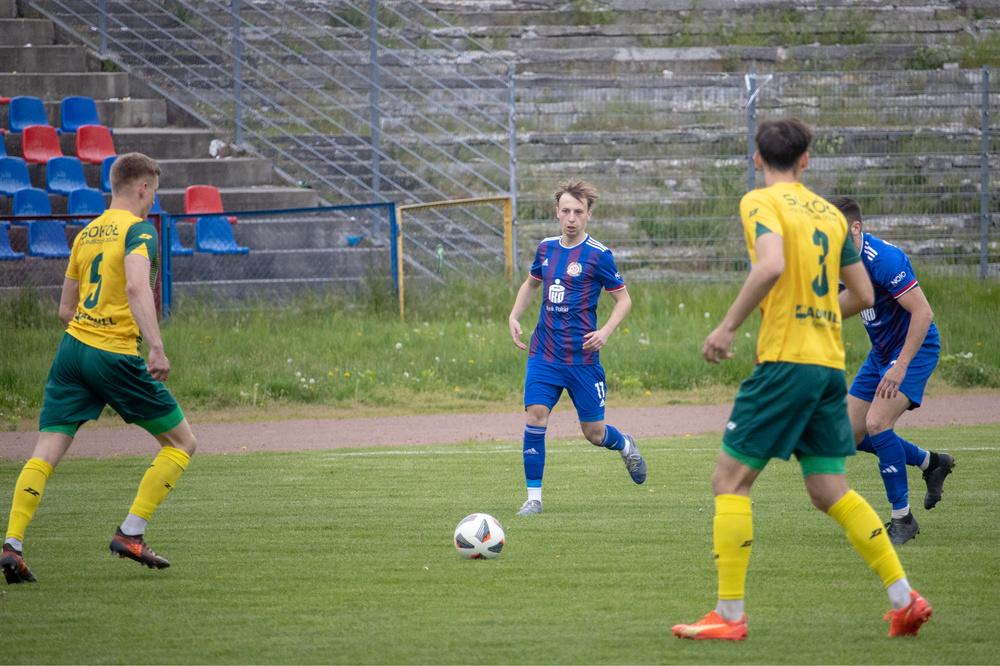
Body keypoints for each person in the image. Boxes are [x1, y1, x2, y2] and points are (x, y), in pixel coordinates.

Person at [672, 119, 931, 641]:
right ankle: (904, 599)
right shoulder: (832, 216)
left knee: (729, 481)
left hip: (785, 364)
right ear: (806, 159)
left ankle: (729, 615)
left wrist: (728, 327)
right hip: (827, 366)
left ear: (757, 158)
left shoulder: (759, 202)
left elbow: (770, 265)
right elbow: (864, 294)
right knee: (829, 489)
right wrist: (817, 313)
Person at [1, 153, 197, 584]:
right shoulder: (139, 231)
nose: (152, 200)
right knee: (182, 443)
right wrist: (156, 348)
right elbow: (136, 286)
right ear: (143, 188)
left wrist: (89, 336)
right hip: (113, 353)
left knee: (45, 452)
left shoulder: (86, 233)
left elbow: (64, 309)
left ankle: (12, 544)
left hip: (72, 351)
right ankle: (131, 532)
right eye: (153, 192)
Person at [508, 179, 645, 517]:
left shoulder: (599, 255)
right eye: (566, 211)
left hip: (582, 358)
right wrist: (514, 316)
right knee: (535, 415)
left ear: (588, 215)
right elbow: (531, 283)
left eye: (578, 212)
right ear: (556, 212)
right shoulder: (546, 249)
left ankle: (624, 443)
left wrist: (606, 332)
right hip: (544, 353)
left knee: (594, 433)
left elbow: (623, 300)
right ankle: (534, 499)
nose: (571, 218)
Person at [830, 196, 955, 546]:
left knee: (877, 423)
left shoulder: (883, 259)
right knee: (847, 435)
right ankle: (931, 463)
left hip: (914, 350)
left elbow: (923, 313)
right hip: (881, 353)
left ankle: (903, 519)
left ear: (855, 228)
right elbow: (840, 306)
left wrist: (900, 367)